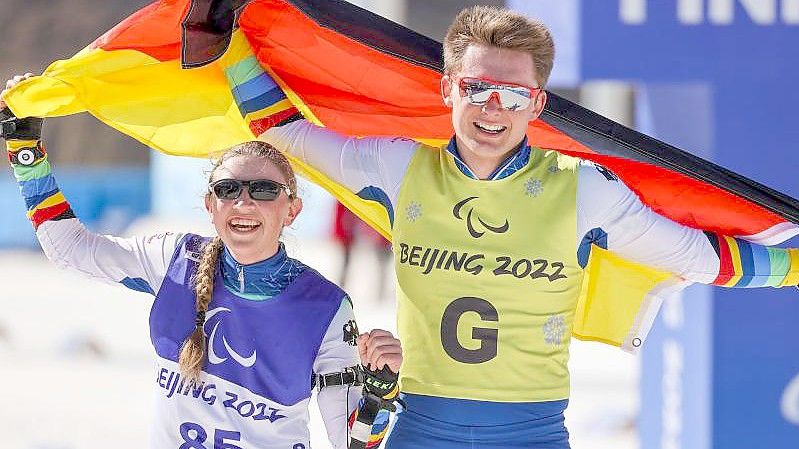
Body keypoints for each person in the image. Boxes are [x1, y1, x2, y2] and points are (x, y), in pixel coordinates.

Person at [253, 5, 799, 448]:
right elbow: (282, 130)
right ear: (448, 88)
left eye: (513, 94)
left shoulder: (584, 189)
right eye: (476, 88)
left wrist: (794, 268)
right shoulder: (398, 168)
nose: (494, 108)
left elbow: (700, 258)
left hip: (530, 434)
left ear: (536, 103)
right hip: (419, 428)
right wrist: (224, 38)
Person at [0, 74, 403, 449]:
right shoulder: (175, 260)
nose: (244, 202)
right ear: (210, 205)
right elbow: (70, 248)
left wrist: (381, 389)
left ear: (292, 209)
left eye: (264, 190)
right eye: (228, 189)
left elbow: (352, 442)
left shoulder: (326, 307)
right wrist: (25, 153)